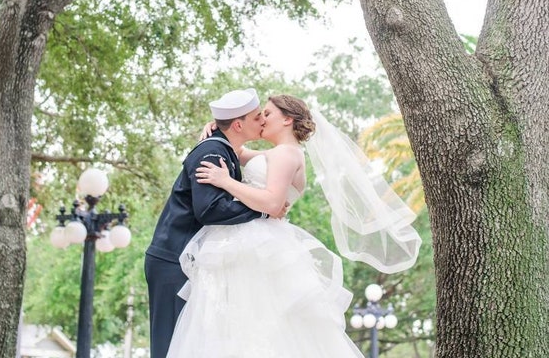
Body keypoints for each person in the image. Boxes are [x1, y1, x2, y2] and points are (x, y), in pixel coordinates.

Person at [164, 94, 421, 358]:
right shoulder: (275, 153)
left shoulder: (287, 154)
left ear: (287, 119)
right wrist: (215, 126)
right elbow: (237, 150)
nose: (261, 119)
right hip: (244, 238)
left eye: (267, 114)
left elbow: (273, 203)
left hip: (260, 244)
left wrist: (226, 182)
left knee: (259, 320)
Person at [144, 88, 286, 358]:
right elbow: (209, 210)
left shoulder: (225, 149)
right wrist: (264, 211)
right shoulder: (210, 152)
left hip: (190, 260)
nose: (263, 121)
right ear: (238, 124)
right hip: (172, 260)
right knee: (170, 344)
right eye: (258, 117)